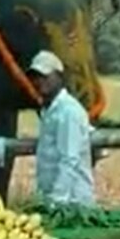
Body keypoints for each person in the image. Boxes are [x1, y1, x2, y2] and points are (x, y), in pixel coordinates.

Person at [27, 50, 95, 206]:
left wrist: (57, 201)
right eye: (36, 77)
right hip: (52, 199)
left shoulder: (68, 111)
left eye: (45, 76)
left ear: (59, 77)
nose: (39, 81)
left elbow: (69, 159)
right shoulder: (48, 110)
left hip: (72, 203)